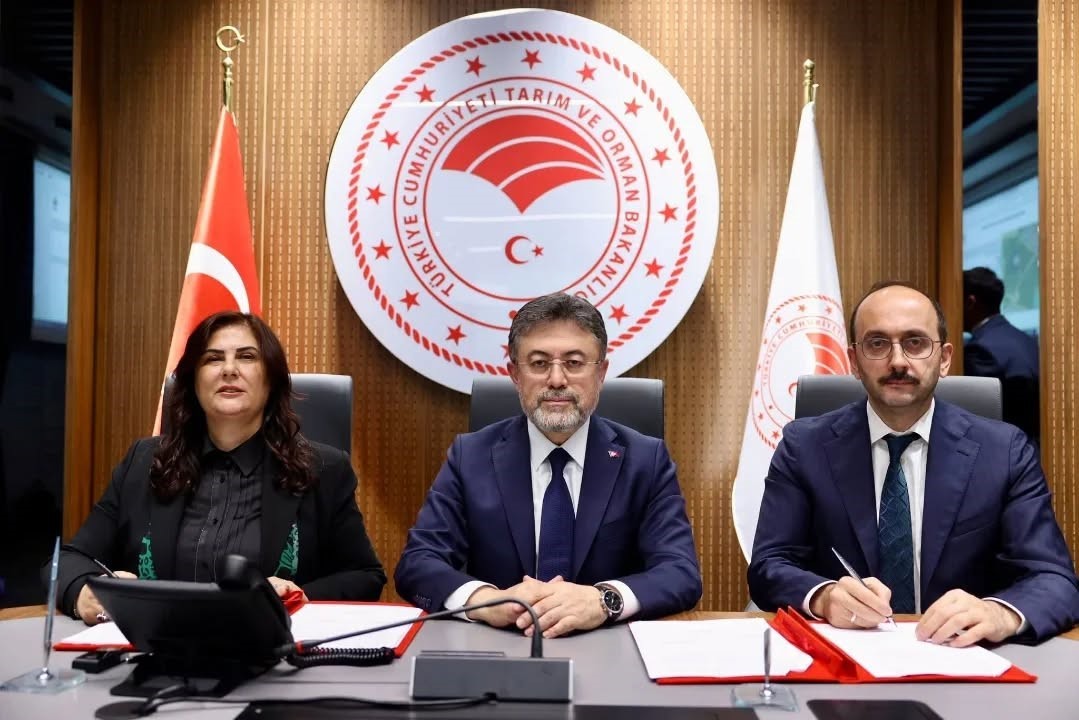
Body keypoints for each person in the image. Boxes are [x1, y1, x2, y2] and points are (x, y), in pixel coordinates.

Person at [748, 281, 1078, 645]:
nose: (898, 362)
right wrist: (824, 597)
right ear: (854, 362)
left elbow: (1054, 579)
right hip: (846, 653)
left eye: (915, 342)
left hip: (963, 655)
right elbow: (769, 565)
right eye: (877, 344)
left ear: (945, 358)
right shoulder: (804, 446)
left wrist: (999, 613)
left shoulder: (1005, 451)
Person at [394, 293, 701, 638]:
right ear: (515, 374)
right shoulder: (471, 456)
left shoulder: (645, 460)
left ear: (601, 373)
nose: (556, 380)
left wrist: (603, 599)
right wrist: (486, 601)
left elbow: (680, 573)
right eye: (539, 363)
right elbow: (418, 563)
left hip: (610, 645)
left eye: (574, 363)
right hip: (502, 644)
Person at [53, 311, 386, 624]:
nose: (229, 369)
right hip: (158, 648)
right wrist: (83, 594)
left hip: (267, 652)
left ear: (271, 379)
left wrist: (298, 596)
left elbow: (365, 576)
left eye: (247, 357)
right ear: (193, 382)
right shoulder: (144, 462)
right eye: (213, 358)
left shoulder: (322, 469)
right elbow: (69, 559)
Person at [962, 267, 1040, 443]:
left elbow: (977, 419)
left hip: (1004, 448)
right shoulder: (1026, 339)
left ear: (970, 302)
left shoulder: (980, 350)